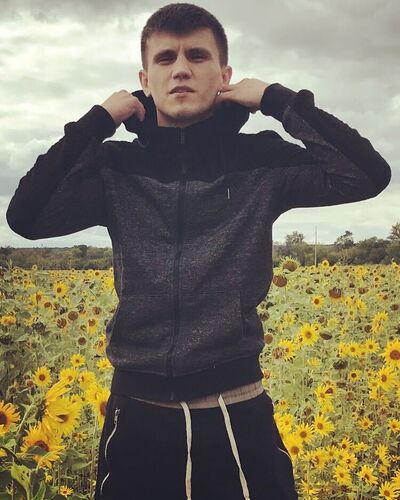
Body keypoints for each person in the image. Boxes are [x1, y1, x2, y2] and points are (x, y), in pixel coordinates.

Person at [6, 3, 391, 500]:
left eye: (197, 56)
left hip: (236, 406)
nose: (181, 68)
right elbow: (27, 216)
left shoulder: (260, 160)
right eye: (165, 58)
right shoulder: (114, 167)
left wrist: (276, 100)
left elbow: (367, 174)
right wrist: (97, 120)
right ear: (145, 80)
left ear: (224, 76)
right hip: (137, 409)